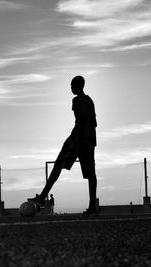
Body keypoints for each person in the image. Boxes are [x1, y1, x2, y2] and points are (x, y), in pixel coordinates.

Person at [28, 76, 98, 216]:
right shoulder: (89, 100)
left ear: (79, 86)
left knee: (59, 165)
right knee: (90, 173)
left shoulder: (78, 100)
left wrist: (78, 139)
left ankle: (42, 198)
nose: (71, 88)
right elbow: (94, 122)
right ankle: (92, 207)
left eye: (72, 85)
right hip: (87, 139)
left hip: (79, 139)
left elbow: (84, 120)